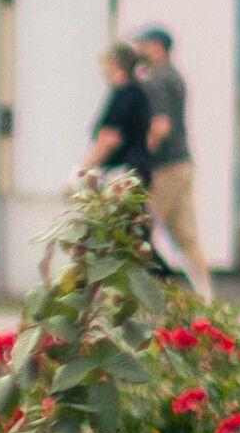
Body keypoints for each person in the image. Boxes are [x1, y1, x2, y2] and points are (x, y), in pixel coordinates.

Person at [85, 22, 203, 276]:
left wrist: (143, 157)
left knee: (137, 230)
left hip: (165, 167)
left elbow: (160, 126)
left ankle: (159, 284)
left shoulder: (157, 80)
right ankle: (204, 292)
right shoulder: (175, 76)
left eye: (144, 44)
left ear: (157, 47)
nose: (139, 49)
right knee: (185, 237)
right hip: (182, 163)